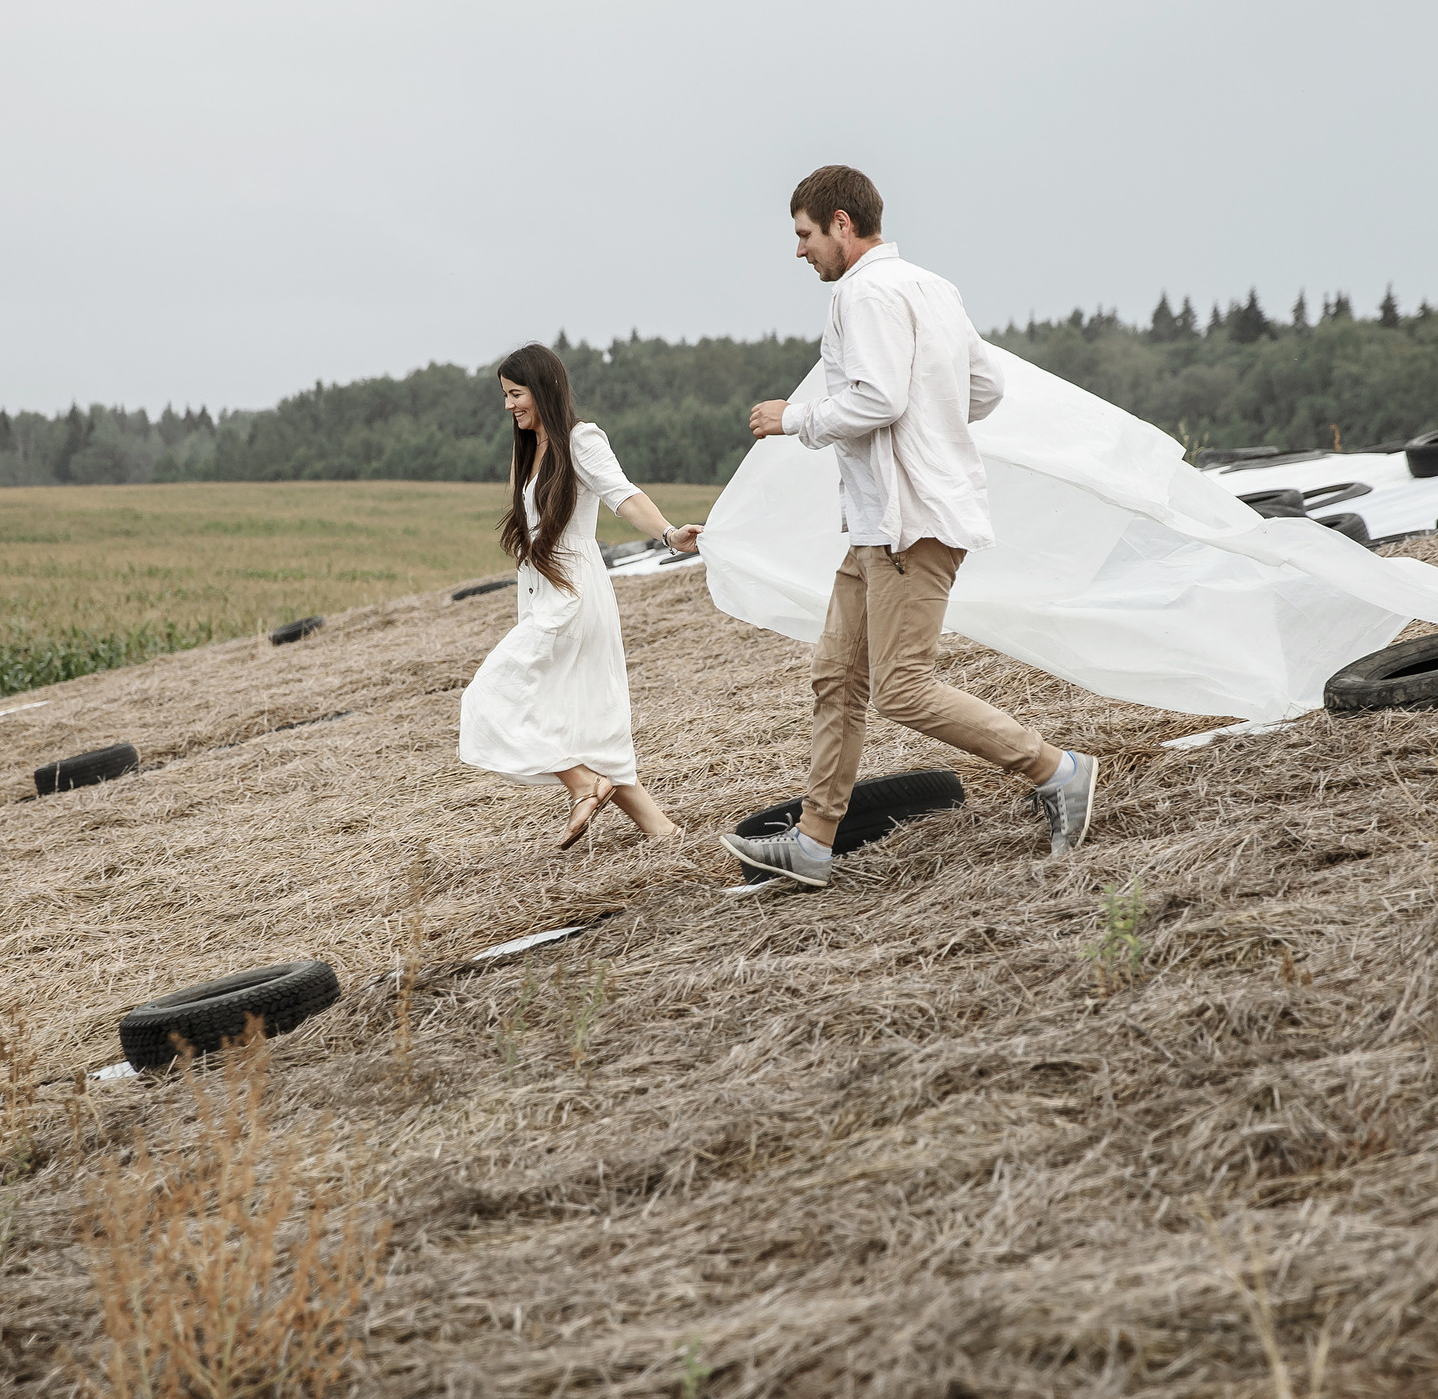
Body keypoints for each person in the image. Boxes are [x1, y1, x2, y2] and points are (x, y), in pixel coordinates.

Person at [719, 166, 1098, 888]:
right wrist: (933, 421)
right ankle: (814, 842)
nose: (799, 251)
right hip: (878, 525)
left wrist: (793, 418)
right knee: (837, 678)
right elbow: (985, 387)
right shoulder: (932, 287)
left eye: (804, 234)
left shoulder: (861, 293)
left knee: (901, 688)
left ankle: (1058, 770)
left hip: (906, 523)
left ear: (840, 223)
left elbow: (878, 399)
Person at [459, 342, 703, 847]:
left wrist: (668, 533)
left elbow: (622, 494)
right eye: (505, 395)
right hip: (545, 591)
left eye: (516, 393)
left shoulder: (580, 439)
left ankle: (585, 784)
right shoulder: (530, 449)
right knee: (582, 718)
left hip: (572, 592)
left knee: (490, 694)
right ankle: (663, 832)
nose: (508, 405)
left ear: (543, 388)